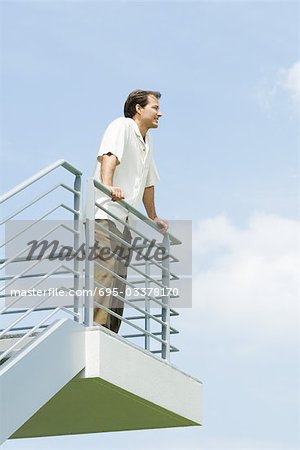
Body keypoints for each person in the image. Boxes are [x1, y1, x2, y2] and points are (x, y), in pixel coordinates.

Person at [93, 89, 168, 333]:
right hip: (106, 214)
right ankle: (97, 330)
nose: (160, 113)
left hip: (125, 222)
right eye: (155, 108)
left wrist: (153, 217)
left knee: (119, 280)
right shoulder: (122, 126)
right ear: (139, 108)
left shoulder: (148, 142)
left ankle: (111, 333)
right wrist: (107, 185)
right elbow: (109, 156)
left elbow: (148, 183)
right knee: (106, 273)